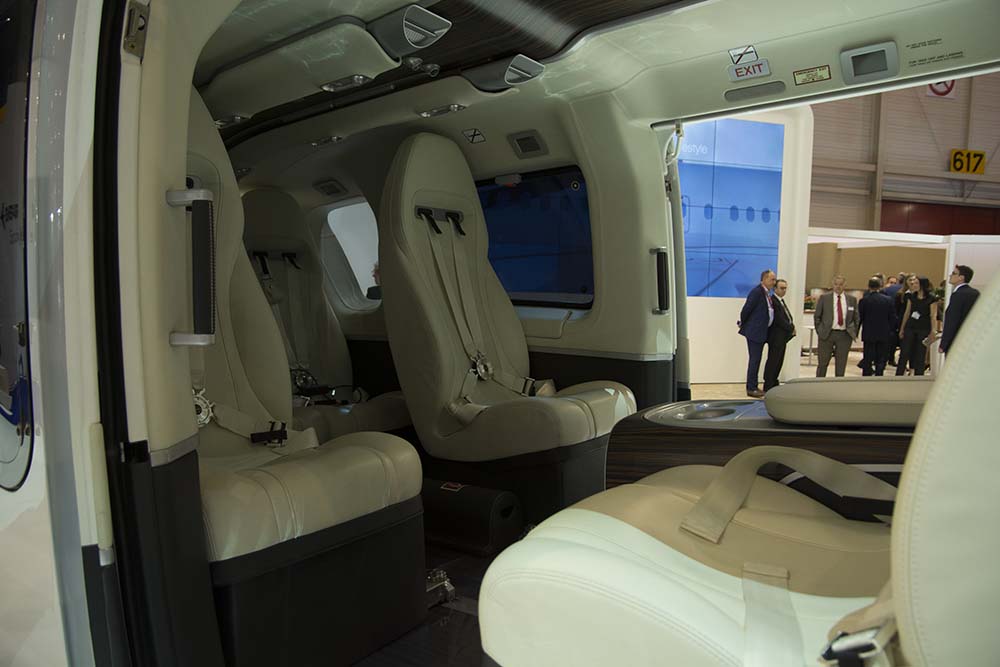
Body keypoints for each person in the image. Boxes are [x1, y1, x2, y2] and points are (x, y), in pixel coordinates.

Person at [738, 269, 776, 397]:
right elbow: (746, 310)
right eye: (772, 279)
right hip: (755, 332)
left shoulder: (766, 293)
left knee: (757, 360)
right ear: (764, 279)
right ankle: (751, 387)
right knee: (754, 360)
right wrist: (745, 324)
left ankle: (754, 385)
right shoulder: (757, 292)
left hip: (762, 331)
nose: (774, 282)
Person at [814, 275, 859, 377]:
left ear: (845, 285)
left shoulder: (851, 299)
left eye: (841, 284)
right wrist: (820, 330)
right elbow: (817, 316)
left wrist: (853, 331)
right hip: (827, 334)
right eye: (836, 284)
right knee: (822, 363)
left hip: (844, 335)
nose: (838, 286)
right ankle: (819, 383)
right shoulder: (824, 298)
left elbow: (856, 317)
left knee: (841, 364)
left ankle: (838, 383)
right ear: (832, 285)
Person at [896, 275, 938, 376]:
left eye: (916, 283)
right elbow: (907, 313)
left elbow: (933, 315)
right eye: (913, 283)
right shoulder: (911, 296)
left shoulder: (931, 298)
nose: (913, 285)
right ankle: (899, 374)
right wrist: (902, 328)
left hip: (924, 327)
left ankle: (919, 375)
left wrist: (933, 330)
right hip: (910, 326)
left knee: (920, 352)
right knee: (905, 351)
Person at [939, 264, 981, 355]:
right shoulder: (975, 293)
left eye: (954, 273)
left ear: (961, 277)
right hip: (969, 338)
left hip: (955, 340)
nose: (950, 275)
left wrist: (944, 344)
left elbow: (952, 320)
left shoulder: (958, 294)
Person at [763, 278, 796, 391]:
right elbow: (779, 319)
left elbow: (786, 317)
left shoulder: (781, 301)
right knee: (773, 361)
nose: (784, 290)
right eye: (782, 288)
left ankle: (774, 381)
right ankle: (768, 383)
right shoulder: (773, 301)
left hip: (782, 337)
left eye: (785, 288)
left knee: (779, 360)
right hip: (776, 336)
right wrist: (791, 328)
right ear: (775, 289)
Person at [858, 276, 895, 376]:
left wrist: (856, 332)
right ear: (880, 286)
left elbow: (860, 317)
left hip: (869, 333)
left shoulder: (864, 300)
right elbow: (892, 317)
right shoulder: (888, 300)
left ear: (868, 286)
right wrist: (891, 330)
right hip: (884, 332)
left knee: (868, 357)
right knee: (881, 358)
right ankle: (879, 375)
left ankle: (866, 375)